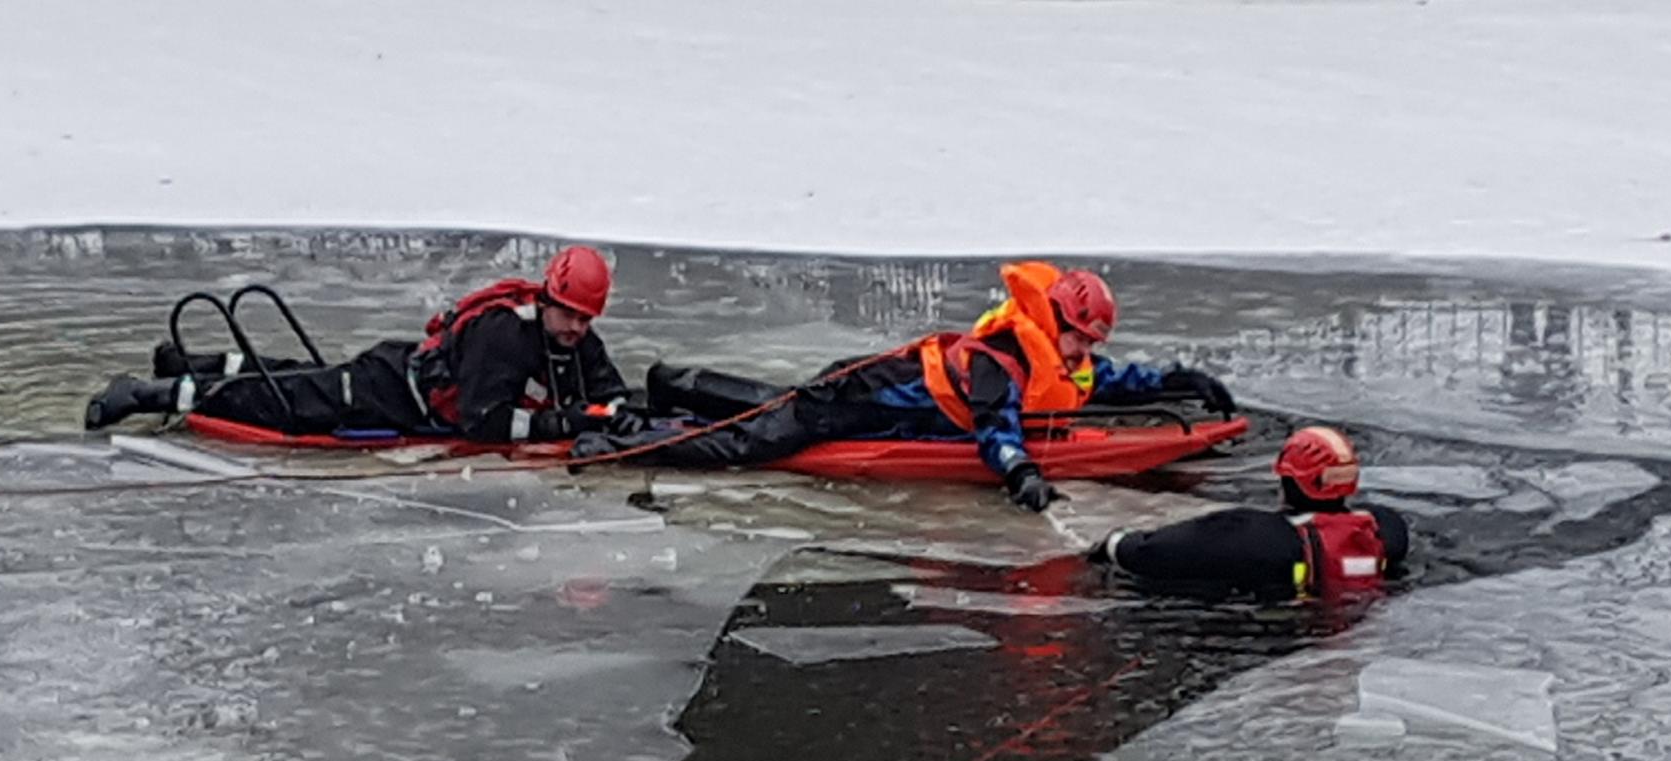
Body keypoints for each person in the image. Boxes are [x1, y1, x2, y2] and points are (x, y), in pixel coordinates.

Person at [573, 260, 1236, 512]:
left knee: (770, 406)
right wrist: (1021, 477)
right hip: (857, 402)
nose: (1088, 352)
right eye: (1082, 338)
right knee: (747, 445)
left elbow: (1109, 383)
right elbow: (996, 432)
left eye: (1093, 343)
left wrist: (1180, 381)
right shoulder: (1000, 361)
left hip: (879, 406)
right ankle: (624, 436)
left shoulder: (1057, 353)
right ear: (1055, 319)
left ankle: (672, 384)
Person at [83, 245, 635, 442]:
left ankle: (198, 361)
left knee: (303, 378)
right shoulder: (504, 336)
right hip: (391, 390)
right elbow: (482, 420)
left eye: (587, 320)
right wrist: (560, 425)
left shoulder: (576, 336)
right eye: (570, 316)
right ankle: (148, 392)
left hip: (402, 372)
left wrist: (617, 412)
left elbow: (607, 386)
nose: (578, 330)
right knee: (287, 404)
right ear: (547, 299)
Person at [1090, 426, 1410, 600]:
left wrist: (1112, 544)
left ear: (1287, 479)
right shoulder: (1384, 531)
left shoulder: (1257, 537)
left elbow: (1150, 552)